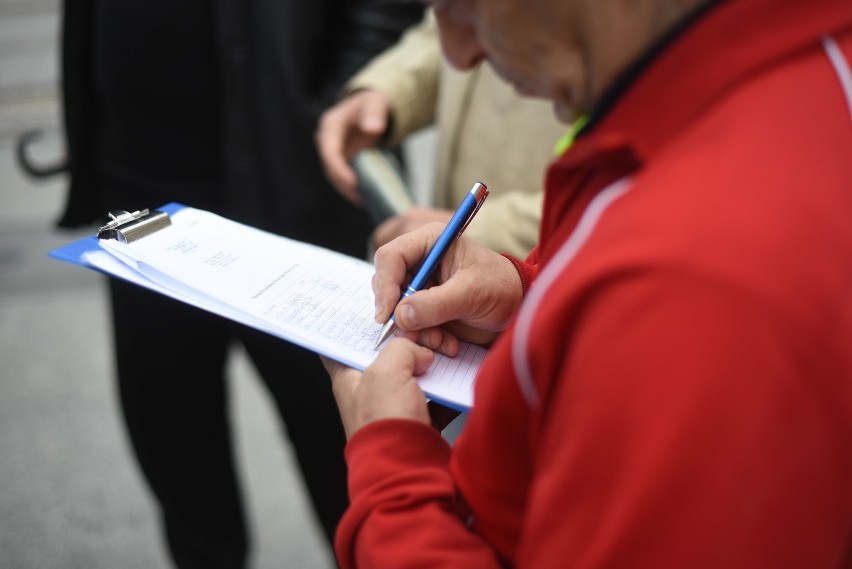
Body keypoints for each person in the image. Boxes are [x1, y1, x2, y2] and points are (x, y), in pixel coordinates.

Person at [323, 0, 852, 567]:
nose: (461, 53)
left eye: (464, 6)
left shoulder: (691, 285)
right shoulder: (795, 68)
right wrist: (534, 296)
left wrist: (392, 473)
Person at [55, 1, 423, 567]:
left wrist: (325, 105)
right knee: (173, 445)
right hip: (138, 197)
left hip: (288, 193)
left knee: (342, 446)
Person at [316, 11, 565, 258]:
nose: (459, 59)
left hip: (548, 263)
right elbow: (437, 32)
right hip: (450, 228)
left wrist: (489, 231)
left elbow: (601, 199)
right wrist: (390, 88)